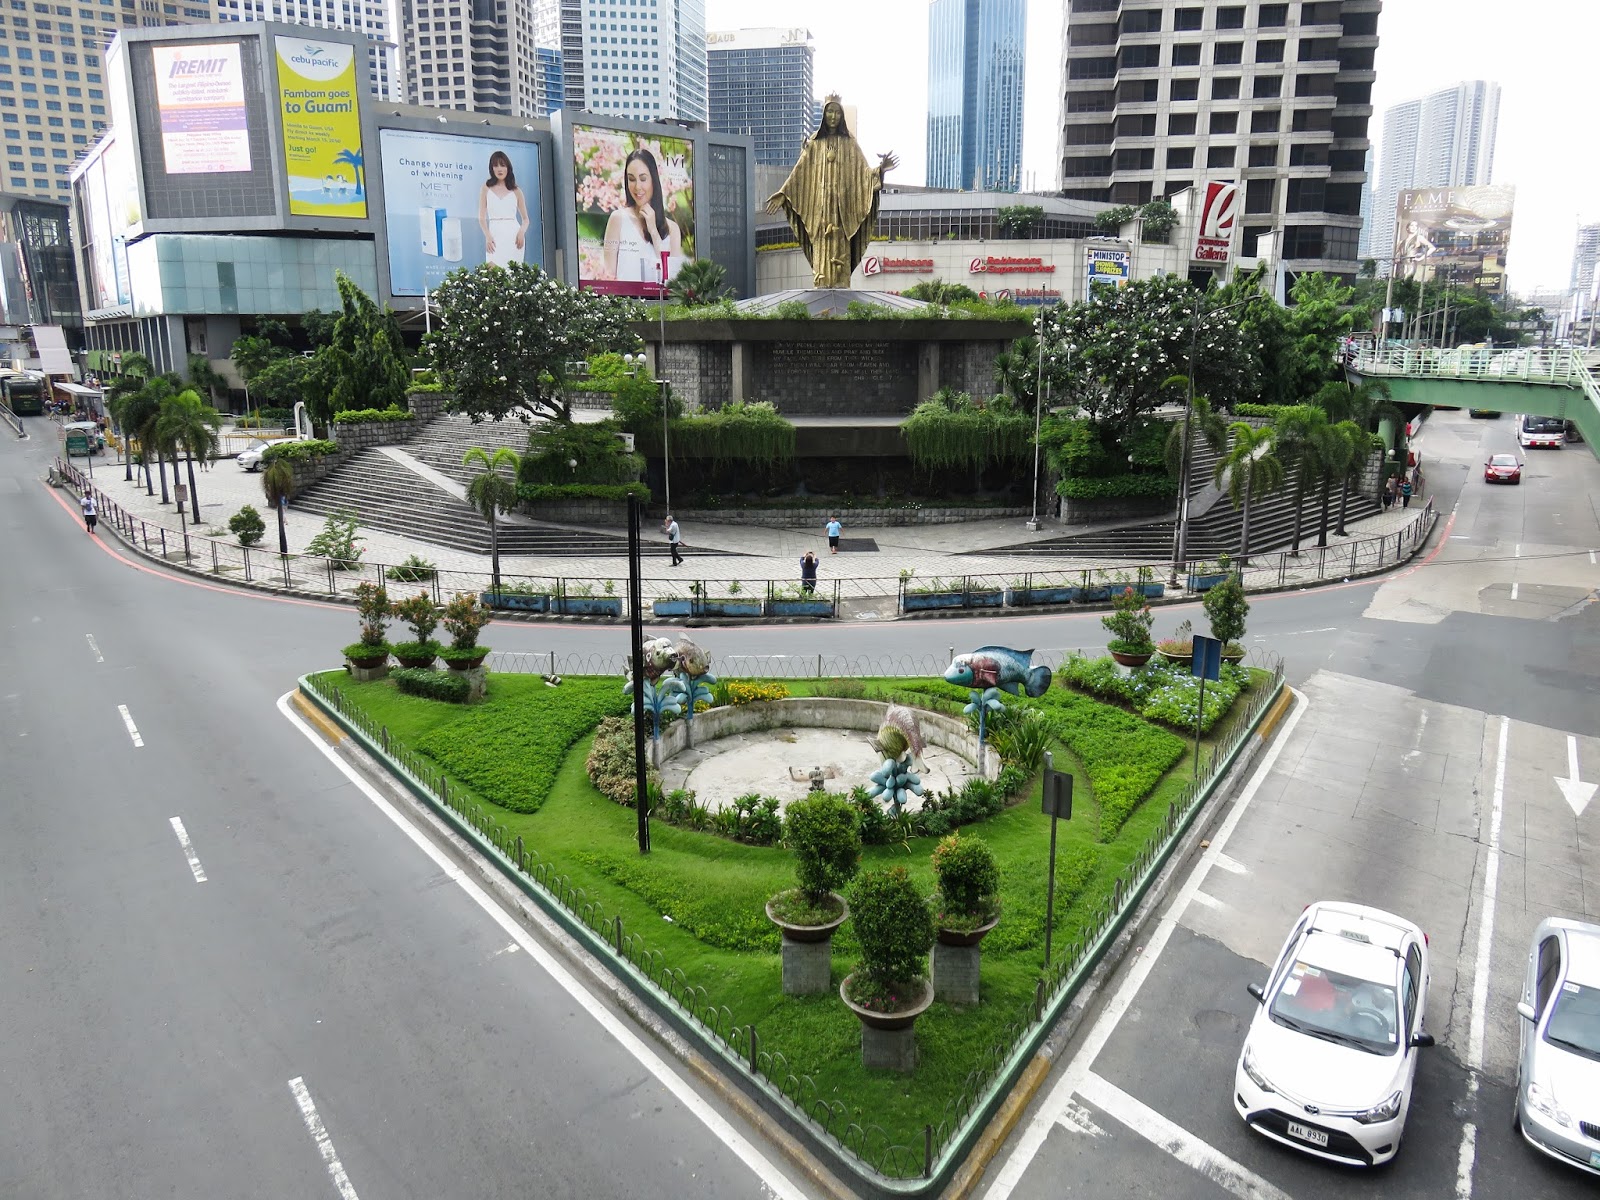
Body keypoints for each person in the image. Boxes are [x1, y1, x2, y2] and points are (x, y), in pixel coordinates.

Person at [764, 96, 897, 288]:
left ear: (841, 116)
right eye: (829, 111)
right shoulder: (814, 144)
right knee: (822, 258)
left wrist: (880, 169)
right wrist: (784, 193)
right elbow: (799, 173)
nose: (833, 116)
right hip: (820, 214)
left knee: (840, 257)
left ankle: (841, 289)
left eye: (837, 112)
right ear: (824, 114)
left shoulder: (850, 143)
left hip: (842, 214)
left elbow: (864, 175)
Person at [603, 148, 683, 284]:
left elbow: (673, 281)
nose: (637, 187)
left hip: (663, 304)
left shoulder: (672, 229)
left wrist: (653, 231)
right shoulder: (618, 219)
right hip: (627, 303)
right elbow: (608, 276)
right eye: (632, 179)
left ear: (653, 179)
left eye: (643, 179)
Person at [478, 150, 531, 270]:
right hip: (494, 235)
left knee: (513, 273)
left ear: (508, 168)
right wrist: (488, 236)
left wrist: (521, 232)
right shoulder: (486, 188)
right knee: (492, 272)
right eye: (495, 165)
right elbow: (481, 218)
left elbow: (526, 219)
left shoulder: (516, 191)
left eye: (502, 165)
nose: (499, 169)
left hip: (514, 236)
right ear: (492, 168)